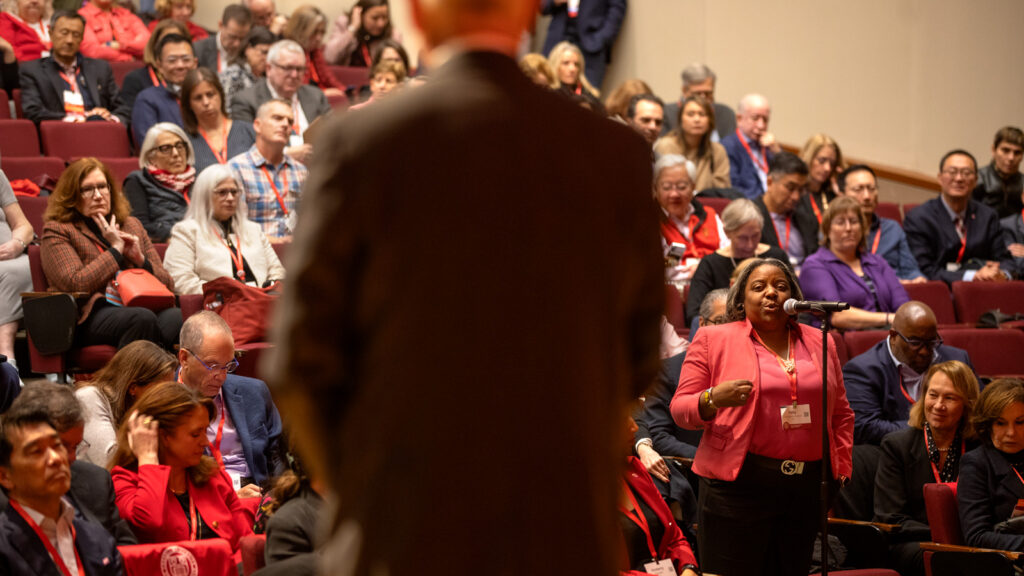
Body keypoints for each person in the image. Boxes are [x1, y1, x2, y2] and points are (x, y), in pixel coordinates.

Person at [268, 0, 662, 574]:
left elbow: (302, 359)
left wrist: (364, 486)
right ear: (530, 14)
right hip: (565, 529)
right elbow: (639, 359)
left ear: (416, 19)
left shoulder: (364, 141)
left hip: (406, 526)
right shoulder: (615, 153)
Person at [670, 257, 854, 575]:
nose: (771, 293)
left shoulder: (820, 340)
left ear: (794, 298)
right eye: (759, 287)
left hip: (804, 488)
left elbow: (841, 413)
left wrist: (841, 469)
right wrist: (713, 398)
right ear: (741, 299)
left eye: (780, 287)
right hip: (738, 487)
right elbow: (681, 409)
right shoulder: (714, 339)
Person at [40, 158, 181, 351]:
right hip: (89, 314)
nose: (98, 195)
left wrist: (140, 259)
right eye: (87, 189)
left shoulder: (131, 225)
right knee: (141, 319)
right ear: (72, 195)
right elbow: (75, 283)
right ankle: (128, 379)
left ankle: (155, 376)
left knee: (177, 317)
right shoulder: (59, 230)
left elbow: (168, 285)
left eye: (102, 187)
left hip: (138, 304)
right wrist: (115, 250)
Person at [109, 381, 254, 551]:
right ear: (162, 436)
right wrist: (148, 457)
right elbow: (149, 522)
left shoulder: (213, 476)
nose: (205, 442)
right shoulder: (123, 481)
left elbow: (246, 544)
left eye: (205, 431)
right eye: (195, 434)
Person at [874, 360, 980, 576]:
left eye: (949, 398)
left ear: (967, 404)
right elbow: (890, 517)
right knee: (952, 561)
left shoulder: (978, 447)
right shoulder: (897, 446)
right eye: (933, 395)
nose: (938, 405)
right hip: (913, 543)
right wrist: (946, 536)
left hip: (969, 541)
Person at [0, 382, 139, 545]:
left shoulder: (96, 480)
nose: (70, 457)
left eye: (76, 446)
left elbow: (127, 550)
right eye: (61, 445)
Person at [0, 401, 125, 575]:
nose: (56, 459)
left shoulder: (97, 537)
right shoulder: (4, 546)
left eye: (57, 446)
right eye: (36, 451)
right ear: (5, 477)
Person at [175, 311, 286, 494]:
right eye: (212, 366)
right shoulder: (163, 403)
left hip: (259, 493)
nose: (222, 376)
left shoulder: (254, 392)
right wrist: (229, 499)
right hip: (203, 501)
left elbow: (278, 454)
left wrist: (276, 495)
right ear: (184, 358)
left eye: (228, 365)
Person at [844, 301, 973, 445]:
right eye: (915, 342)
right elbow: (865, 428)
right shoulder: (863, 370)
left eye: (931, 342)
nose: (924, 351)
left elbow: (979, 410)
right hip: (895, 454)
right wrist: (932, 426)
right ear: (893, 336)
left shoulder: (958, 360)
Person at [164, 164, 284, 294]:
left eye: (234, 192)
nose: (230, 198)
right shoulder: (186, 231)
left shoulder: (254, 230)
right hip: (220, 304)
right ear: (204, 196)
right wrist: (227, 294)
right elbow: (181, 281)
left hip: (262, 300)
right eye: (222, 192)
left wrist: (269, 288)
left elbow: (277, 271)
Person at [904, 149, 1016, 283]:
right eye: (952, 172)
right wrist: (972, 276)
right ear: (940, 178)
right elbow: (925, 269)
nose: (959, 178)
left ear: (975, 181)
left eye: (966, 173)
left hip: (984, 291)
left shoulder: (988, 216)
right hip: (943, 292)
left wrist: (1001, 274)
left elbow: (1006, 261)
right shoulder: (919, 218)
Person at [800, 196, 909, 329]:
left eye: (853, 221)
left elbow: (903, 304)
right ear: (827, 230)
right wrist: (889, 318)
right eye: (840, 223)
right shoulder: (815, 265)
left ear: (862, 227)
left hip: (889, 333)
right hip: (849, 339)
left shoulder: (877, 262)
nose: (848, 228)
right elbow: (838, 316)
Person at [685, 198, 789, 325]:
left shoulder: (776, 256)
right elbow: (694, 312)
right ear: (727, 232)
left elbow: (795, 300)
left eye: (755, 236)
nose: (750, 245)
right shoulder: (710, 264)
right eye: (743, 238)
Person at [75, 340, 177, 467]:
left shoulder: (144, 415)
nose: (167, 397)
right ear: (133, 388)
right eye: (160, 390)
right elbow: (109, 459)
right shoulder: (89, 397)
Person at [619, 419, 699, 576]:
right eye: (619, 418)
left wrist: (688, 568)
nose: (634, 427)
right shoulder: (574, 497)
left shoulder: (634, 468)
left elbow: (674, 537)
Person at [19, 10, 127, 124]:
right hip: (60, 134)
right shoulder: (32, 71)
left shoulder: (100, 68)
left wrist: (109, 118)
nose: (69, 40)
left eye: (76, 35)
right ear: (51, 34)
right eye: (64, 33)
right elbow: (33, 112)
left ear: (81, 39)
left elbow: (123, 110)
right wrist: (79, 119)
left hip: (98, 130)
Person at [230, 39, 331, 159]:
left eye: (299, 69)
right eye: (287, 68)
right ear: (269, 69)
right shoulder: (246, 101)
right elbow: (242, 150)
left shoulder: (315, 96)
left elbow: (334, 135)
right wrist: (285, 154)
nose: (294, 75)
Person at [958, 378, 1024, 551]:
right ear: (987, 425)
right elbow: (977, 536)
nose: (1011, 433)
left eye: (1020, 422)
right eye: (1001, 423)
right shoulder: (976, 464)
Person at [228, 98, 307, 241]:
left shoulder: (300, 171)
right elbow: (234, 227)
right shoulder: (236, 169)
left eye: (289, 122)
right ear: (257, 125)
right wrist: (278, 242)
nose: (285, 124)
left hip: (295, 255)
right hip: (255, 254)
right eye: (277, 118)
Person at [840, 164, 926, 283]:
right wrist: (890, 283)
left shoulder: (892, 228)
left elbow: (910, 270)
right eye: (858, 189)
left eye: (871, 189)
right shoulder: (836, 231)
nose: (866, 196)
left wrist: (918, 279)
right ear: (842, 195)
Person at [654, 154, 727, 284]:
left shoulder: (709, 215)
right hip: (675, 289)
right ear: (656, 189)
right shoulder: (652, 221)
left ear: (693, 187)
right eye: (666, 187)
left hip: (714, 284)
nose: (674, 194)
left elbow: (727, 253)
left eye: (681, 187)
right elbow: (659, 268)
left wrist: (705, 269)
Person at [123, 122, 197, 243]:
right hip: (171, 244)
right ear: (151, 157)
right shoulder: (137, 180)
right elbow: (140, 226)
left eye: (179, 146)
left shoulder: (198, 180)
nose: (176, 153)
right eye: (166, 148)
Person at [180, 67, 256, 173]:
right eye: (198, 98)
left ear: (221, 95)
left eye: (210, 95)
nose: (206, 102)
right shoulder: (184, 142)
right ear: (189, 104)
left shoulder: (248, 131)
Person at [753, 151, 819, 267]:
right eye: (790, 188)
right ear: (770, 183)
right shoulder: (750, 217)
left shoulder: (806, 219)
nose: (796, 197)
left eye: (801, 190)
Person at [540, 0, 625, 89]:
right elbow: (542, 7)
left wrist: (600, 39)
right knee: (544, 89)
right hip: (557, 40)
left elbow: (617, 9)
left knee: (585, 98)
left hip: (591, 46)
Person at [654, 95, 732, 192]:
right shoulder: (665, 146)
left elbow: (723, 190)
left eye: (702, 114)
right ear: (680, 119)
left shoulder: (717, 150)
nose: (697, 119)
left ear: (710, 120)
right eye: (690, 114)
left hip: (708, 204)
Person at [131, 33, 196, 146]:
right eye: (172, 60)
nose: (180, 65)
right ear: (159, 66)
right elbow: (150, 146)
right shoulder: (147, 99)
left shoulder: (206, 96)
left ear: (195, 63)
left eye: (186, 59)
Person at [118, 19, 189, 112]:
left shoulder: (196, 79)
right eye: (167, 41)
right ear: (154, 45)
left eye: (178, 40)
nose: (173, 46)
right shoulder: (135, 80)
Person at [0, 171, 32, 374]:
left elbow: (23, 225)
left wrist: (17, 244)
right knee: (10, 273)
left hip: (10, 256)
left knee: (30, 265)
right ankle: (7, 356)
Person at [721, 93, 780, 199]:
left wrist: (777, 152)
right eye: (755, 118)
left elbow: (789, 175)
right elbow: (735, 190)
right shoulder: (727, 147)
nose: (761, 125)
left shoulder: (769, 147)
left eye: (765, 120)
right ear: (739, 119)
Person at [662, 63, 737, 142]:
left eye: (708, 93)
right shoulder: (667, 113)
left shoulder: (726, 114)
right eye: (697, 94)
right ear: (684, 90)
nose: (703, 98)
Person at [283, 5, 343, 96]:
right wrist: (323, 93)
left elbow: (329, 78)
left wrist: (343, 91)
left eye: (322, 32)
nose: (319, 38)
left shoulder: (315, 51)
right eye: (314, 32)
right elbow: (298, 91)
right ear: (300, 30)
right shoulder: (288, 53)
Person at [323, 0, 400, 67]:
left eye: (384, 17)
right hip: (345, 79)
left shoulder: (391, 34)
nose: (381, 24)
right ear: (361, 15)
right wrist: (352, 28)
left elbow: (397, 66)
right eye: (375, 18)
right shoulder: (345, 24)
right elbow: (329, 57)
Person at [219, 25, 275, 115]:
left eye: (271, 54)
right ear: (248, 49)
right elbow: (227, 111)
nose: (268, 58)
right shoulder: (233, 75)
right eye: (264, 52)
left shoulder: (270, 77)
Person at [974, 126, 1024, 219]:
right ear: (993, 150)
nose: (1011, 158)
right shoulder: (977, 178)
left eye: (1017, 153)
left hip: (1015, 232)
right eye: (1006, 150)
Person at [77, 0, 149, 62]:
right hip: (99, 71)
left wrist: (118, 45)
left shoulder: (126, 14)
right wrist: (129, 57)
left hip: (133, 70)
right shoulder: (82, 16)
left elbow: (147, 44)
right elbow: (92, 51)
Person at [798, 134, 842, 227]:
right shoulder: (795, 194)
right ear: (808, 158)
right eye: (822, 160)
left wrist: (841, 194)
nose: (827, 168)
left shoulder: (833, 196)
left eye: (832, 163)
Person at [193, 3, 251, 75]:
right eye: (232, 37)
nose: (237, 44)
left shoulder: (249, 54)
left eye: (242, 39)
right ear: (220, 25)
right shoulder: (198, 50)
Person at [547, 40, 602, 111]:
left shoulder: (590, 97)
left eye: (576, 64)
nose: (572, 69)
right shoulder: (549, 92)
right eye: (566, 63)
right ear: (555, 65)